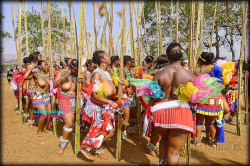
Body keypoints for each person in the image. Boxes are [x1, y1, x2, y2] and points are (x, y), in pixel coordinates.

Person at [145, 43, 195, 165]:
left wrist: (146, 112)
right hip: (181, 114)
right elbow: (193, 99)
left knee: (164, 139)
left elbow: (153, 97)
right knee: (174, 152)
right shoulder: (189, 75)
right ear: (181, 57)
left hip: (160, 113)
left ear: (167, 56)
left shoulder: (159, 74)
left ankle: (161, 162)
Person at [81, 50, 127, 160]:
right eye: (107, 55)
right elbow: (94, 96)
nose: (109, 57)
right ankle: (85, 147)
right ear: (102, 60)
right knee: (100, 130)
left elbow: (110, 88)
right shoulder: (96, 74)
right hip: (98, 107)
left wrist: (119, 85)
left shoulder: (106, 72)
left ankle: (98, 149)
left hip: (105, 106)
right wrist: (110, 102)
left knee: (109, 131)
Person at [53, 59, 80, 155]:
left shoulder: (80, 74)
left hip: (76, 99)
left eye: (77, 69)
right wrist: (63, 78)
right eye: (74, 69)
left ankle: (73, 135)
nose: (75, 71)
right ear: (70, 67)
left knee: (74, 121)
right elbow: (55, 85)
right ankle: (63, 144)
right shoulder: (62, 72)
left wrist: (82, 82)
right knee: (68, 122)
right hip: (64, 98)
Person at [23, 60, 51, 137]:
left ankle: (44, 128)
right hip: (38, 96)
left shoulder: (48, 74)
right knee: (44, 114)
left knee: (49, 115)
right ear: (39, 66)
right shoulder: (36, 74)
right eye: (44, 65)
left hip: (47, 96)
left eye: (47, 65)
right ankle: (39, 130)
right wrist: (30, 69)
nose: (46, 66)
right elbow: (25, 77)